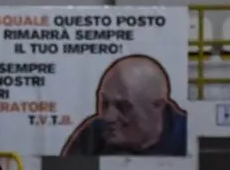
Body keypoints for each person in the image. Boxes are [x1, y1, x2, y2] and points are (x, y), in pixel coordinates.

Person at [59, 55, 188, 157]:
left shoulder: (189, 138)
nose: (108, 117)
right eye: (104, 104)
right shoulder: (93, 135)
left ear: (157, 105)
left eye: (123, 107)